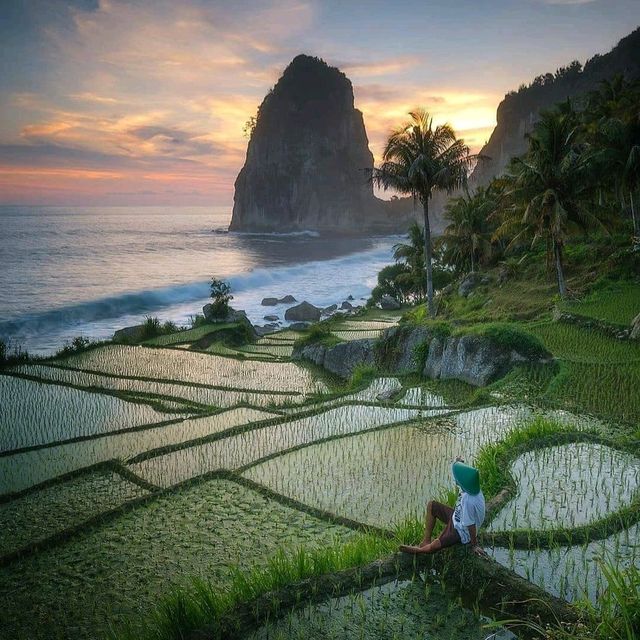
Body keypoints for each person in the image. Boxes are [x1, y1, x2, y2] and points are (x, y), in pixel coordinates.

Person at [399, 457, 487, 557]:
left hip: (461, 531)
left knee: (435, 545)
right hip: (457, 516)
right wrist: (459, 463)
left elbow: (470, 525)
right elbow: (466, 473)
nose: (456, 481)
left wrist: (474, 545)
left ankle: (420, 550)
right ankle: (426, 541)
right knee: (432, 505)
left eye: (458, 479)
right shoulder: (471, 487)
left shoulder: (469, 501)